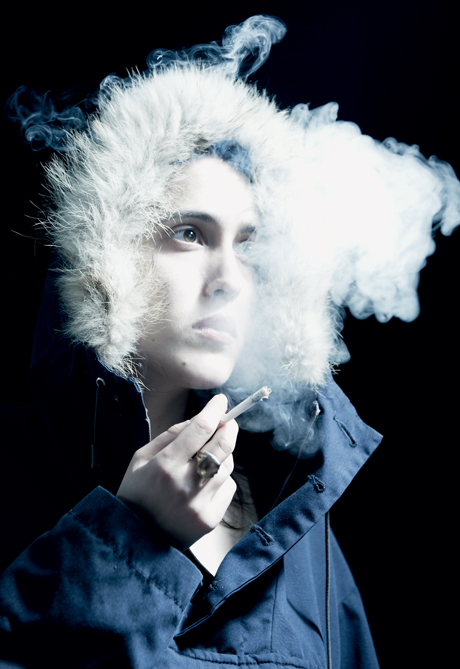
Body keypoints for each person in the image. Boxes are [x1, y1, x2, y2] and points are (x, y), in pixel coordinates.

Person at [1, 15, 458, 669]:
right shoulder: (13, 469)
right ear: (108, 254)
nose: (229, 279)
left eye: (248, 243)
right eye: (189, 233)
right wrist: (132, 536)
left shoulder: (296, 513)